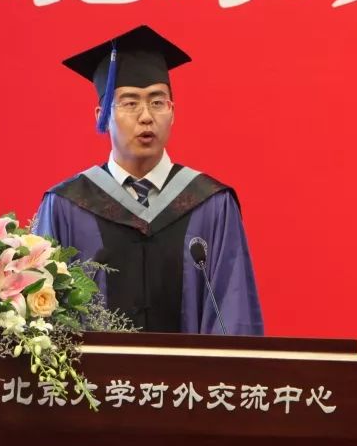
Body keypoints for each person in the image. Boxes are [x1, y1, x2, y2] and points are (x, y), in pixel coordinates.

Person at [31, 25, 263, 335]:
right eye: (130, 103)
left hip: (190, 370)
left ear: (172, 112)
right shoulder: (66, 205)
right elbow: (43, 321)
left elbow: (234, 314)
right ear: (102, 115)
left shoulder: (211, 203)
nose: (146, 116)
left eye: (157, 102)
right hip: (95, 370)